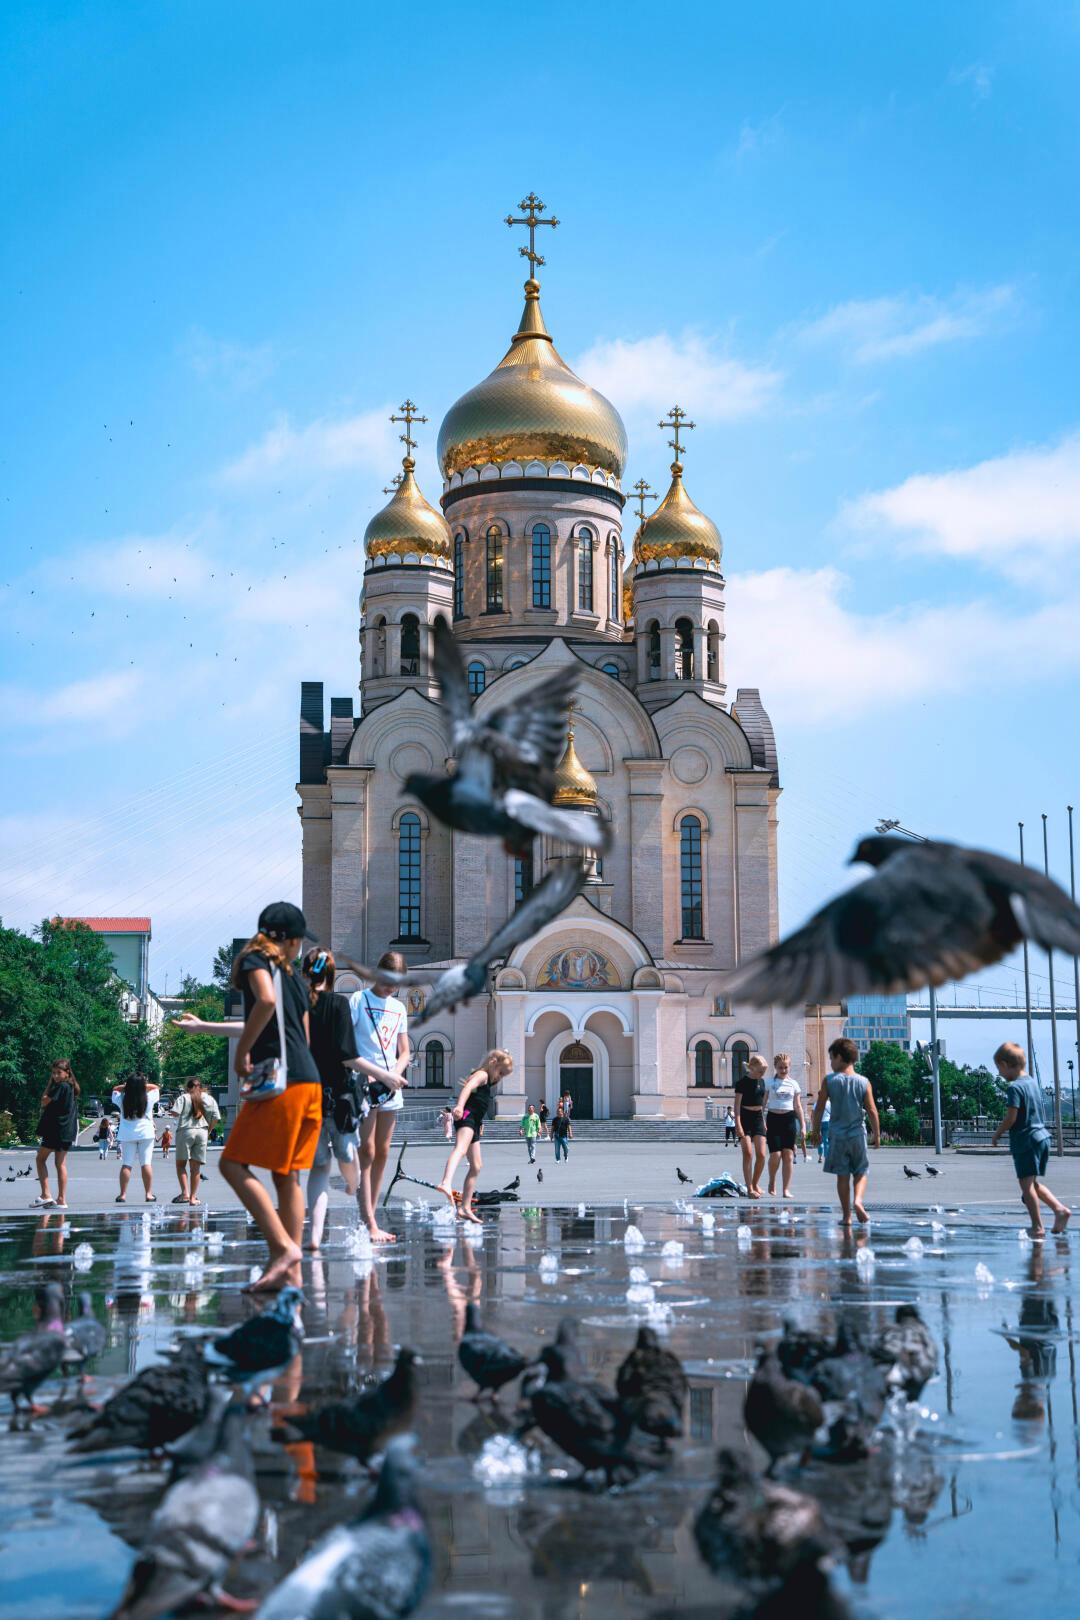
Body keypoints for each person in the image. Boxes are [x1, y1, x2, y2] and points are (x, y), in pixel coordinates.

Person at [222, 902, 323, 1292]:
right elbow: (306, 1036)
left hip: (283, 1084)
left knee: (232, 1165)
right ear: (291, 940)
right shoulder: (296, 978)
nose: (299, 948)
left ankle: (283, 1250)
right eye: (298, 941)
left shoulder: (256, 961)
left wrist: (244, 1051)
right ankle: (290, 1272)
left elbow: (264, 1002)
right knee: (286, 1176)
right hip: (309, 1081)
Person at [303, 948, 397, 1252]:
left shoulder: (298, 1005)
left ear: (306, 973)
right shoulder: (341, 1004)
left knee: (318, 1167)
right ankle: (354, 1187)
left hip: (309, 1099)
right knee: (348, 1156)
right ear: (331, 976)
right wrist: (384, 1075)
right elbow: (349, 1056)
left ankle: (315, 1237)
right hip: (341, 1099)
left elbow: (269, 1034)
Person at [349, 953, 411, 1245]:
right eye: (387, 982)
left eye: (396, 984)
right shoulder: (358, 1001)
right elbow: (346, 1044)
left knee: (384, 1151)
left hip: (390, 1086)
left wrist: (395, 1074)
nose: (390, 989)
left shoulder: (398, 1007)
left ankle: (371, 1211)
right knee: (368, 1149)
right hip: (365, 1082)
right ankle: (367, 1218)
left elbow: (405, 1050)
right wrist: (374, 1075)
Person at [990, 1041, 1071, 1238]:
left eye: (999, 1068)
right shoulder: (1033, 1083)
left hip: (1026, 1139)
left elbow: (1012, 1117)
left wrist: (998, 1132)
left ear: (1005, 1064)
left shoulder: (1014, 1088)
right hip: (1042, 1137)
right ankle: (1060, 1210)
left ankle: (1037, 1226)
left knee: (1026, 1187)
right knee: (1033, 1184)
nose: (999, 1074)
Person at [435, 1050, 513, 1224]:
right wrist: (460, 1106)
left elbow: (479, 1101)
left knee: (476, 1165)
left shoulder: (487, 1079)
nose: (500, 1077)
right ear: (493, 1063)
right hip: (466, 1116)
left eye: (503, 1076)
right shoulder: (482, 1074)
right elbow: (467, 1088)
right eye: (500, 1072)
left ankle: (464, 1207)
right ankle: (446, 1182)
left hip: (475, 1121)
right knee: (460, 1149)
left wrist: (481, 1123)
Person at [810, 1037, 880, 1228]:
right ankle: (858, 1200)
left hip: (837, 1135)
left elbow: (819, 1108)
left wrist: (815, 1131)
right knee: (861, 1171)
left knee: (842, 1175)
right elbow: (872, 1110)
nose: (831, 1063)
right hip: (858, 1134)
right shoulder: (863, 1082)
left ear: (840, 1057)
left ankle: (847, 1216)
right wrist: (877, 1135)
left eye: (831, 1058)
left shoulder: (829, 1081)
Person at [33, 1060, 79, 1208]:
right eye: (53, 1073)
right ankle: (61, 1200)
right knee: (60, 1164)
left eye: (59, 1073)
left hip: (55, 1129)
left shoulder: (60, 1086)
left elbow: (44, 1101)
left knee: (40, 1159)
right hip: (67, 1130)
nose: (55, 1076)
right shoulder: (72, 1087)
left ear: (67, 1073)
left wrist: (49, 1084)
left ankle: (46, 1194)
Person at [111, 1072, 161, 1204]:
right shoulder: (149, 1097)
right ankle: (149, 1194)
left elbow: (115, 1089)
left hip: (127, 1134)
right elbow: (156, 1087)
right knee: (146, 1164)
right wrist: (142, 1085)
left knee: (126, 1164)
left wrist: (128, 1086)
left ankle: (122, 1195)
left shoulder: (122, 1098)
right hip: (146, 1133)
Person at [170, 1077, 221, 1205]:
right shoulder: (209, 1099)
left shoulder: (184, 1097)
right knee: (196, 1168)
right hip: (202, 1132)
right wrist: (208, 1130)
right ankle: (193, 1198)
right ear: (201, 1087)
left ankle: (185, 1193)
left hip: (185, 1131)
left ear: (188, 1087)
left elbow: (174, 1113)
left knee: (181, 1165)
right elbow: (216, 1117)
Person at [765, 1052, 807, 1199]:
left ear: (789, 1067)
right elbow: (763, 1104)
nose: (783, 1070)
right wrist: (761, 1122)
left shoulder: (794, 1084)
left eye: (786, 1067)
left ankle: (786, 1189)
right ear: (775, 1067)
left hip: (789, 1119)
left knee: (788, 1156)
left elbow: (798, 1106)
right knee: (775, 1155)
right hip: (773, 1119)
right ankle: (771, 1181)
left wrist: (803, 1126)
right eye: (780, 1067)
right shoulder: (769, 1083)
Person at [734, 1054, 769, 1198]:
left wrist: (764, 1121)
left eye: (764, 1071)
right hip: (744, 1118)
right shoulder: (742, 1083)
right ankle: (749, 1189)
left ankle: (755, 1183)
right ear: (752, 1068)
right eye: (760, 1071)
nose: (762, 1074)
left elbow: (762, 1104)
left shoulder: (762, 1082)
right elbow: (736, 1106)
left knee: (761, 1155)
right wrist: (738, 1124)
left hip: (758, 1119)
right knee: (748, 1153)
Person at [817, 1096, 831, 1164]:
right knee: (826, 1141)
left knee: (820, 1140)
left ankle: (820, 1157)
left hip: (819, 1122)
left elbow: (814, 1113)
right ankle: (826, 1158)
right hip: (828, 1122)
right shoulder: (829, 1103)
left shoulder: (817, 1103)